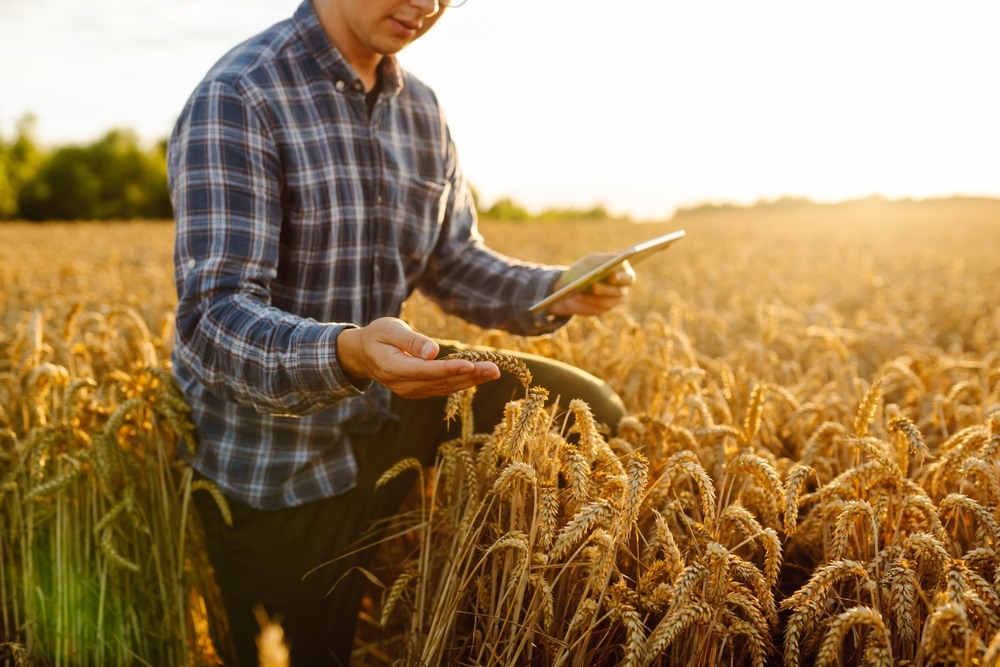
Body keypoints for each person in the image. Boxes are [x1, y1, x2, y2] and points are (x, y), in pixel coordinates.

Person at [167, 0, 635, 664]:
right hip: (279, 455)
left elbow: (455, 260)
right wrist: (348, 352)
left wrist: (563, 286)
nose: (428, 4)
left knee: (589, 417)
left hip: (391, 400)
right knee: (303, 652)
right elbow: (215, 316)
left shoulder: (421, 107)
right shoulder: (240, 95)